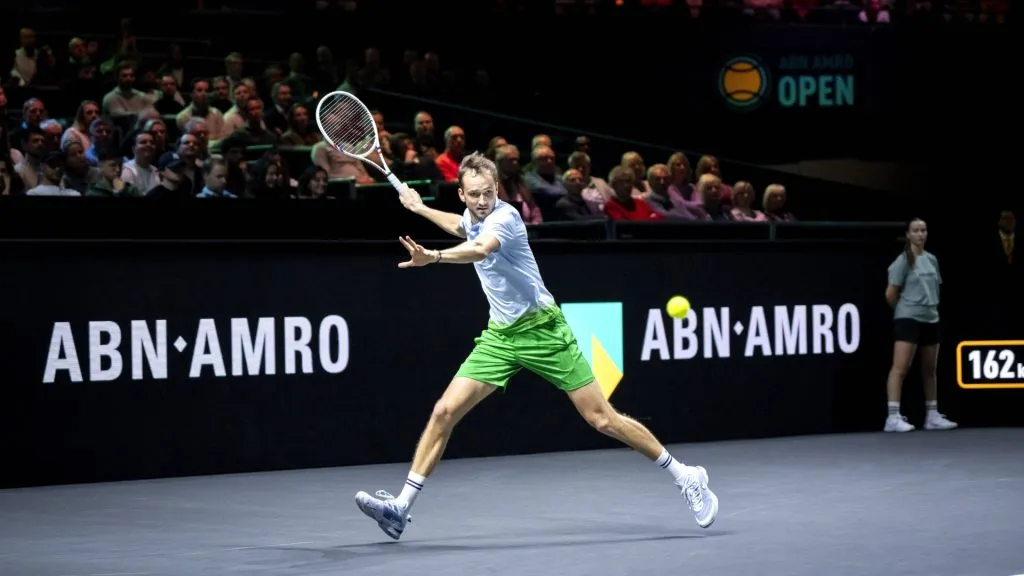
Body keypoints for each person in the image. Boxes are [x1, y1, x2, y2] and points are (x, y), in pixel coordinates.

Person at [353, 152, 719, 540]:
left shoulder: (505, 218)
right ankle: (400, 508)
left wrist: (435, 257)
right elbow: (463, 229)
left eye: (488, 193)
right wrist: (421, 208)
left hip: (545, 331)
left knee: (601, 419)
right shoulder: (473, 216)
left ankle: (686, 476)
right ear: (461, 193)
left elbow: (479, 248)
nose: (482, 201)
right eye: (474, 194)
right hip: (501, 336)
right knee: (444, 410)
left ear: (498, 190)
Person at [883, 218, 957, 433]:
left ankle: (932, 415)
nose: (920, 234)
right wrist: (905, 310)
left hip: (931, 318)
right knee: (900, 368)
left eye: (923, 230)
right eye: (915, 231)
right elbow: (890, 294)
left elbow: (935, 288)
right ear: (908, 234)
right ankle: (893, 417)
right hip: (908, 318)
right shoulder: (903, 260)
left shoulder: (932, 259)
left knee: (930, 370)